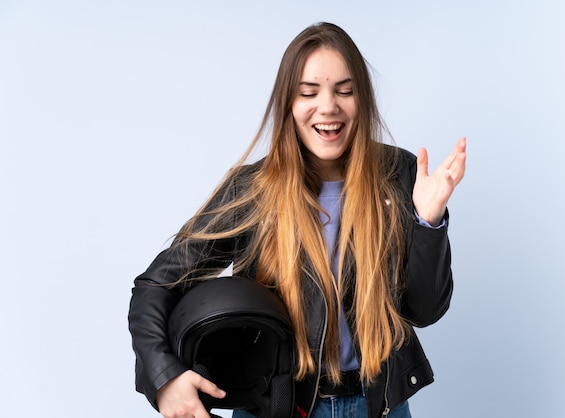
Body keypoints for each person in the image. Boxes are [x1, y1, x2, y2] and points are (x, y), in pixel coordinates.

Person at [128, 22, 466, 418]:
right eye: (309, 92)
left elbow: (424, 311)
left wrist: (428, 222)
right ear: (288, 102)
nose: (328, 107)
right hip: (279, 405)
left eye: (345, 90)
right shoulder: (254, 189)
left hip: (378, 406)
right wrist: (164, 376)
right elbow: (156, 284)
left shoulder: (400, 174)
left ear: (363, 99)